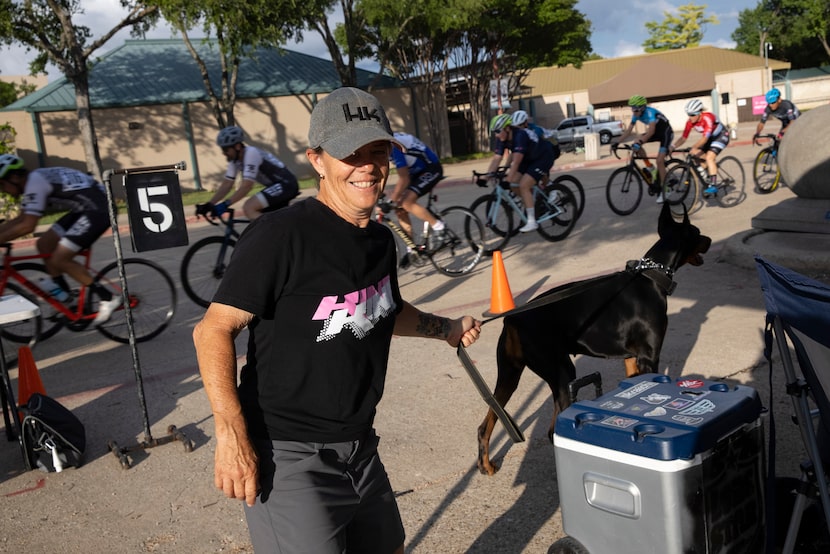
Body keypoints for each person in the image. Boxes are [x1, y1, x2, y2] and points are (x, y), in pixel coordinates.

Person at [192, 87, 482, 554]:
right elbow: (212, 330)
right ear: (318, 160)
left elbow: (381, 307)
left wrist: (444, 328)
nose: (367, 165)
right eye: (350, 152)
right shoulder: (280, 235)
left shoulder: (381, 241)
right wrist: (230, 436)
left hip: (360, 448)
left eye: (377, 150)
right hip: (288, 457)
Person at [0, 155, 121, 324]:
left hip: (98, 210)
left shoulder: (35, 183)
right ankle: (65, 296)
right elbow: (21, 218)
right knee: (44, 244)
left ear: (14, 177)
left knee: (60, 258)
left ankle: (108, 297)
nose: (2, 190)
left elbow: (28, 226)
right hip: (83, 209)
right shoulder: (33, 180)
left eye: (2, 184)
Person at [195, 125, 300, 220]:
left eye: (226, 149)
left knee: (249, 207)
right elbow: (227, 184)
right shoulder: (234, 160)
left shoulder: (251, 153)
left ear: (237, 147)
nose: (224, 153)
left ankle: (275, 237)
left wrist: (225, 204)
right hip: (275, 186)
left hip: (286, 184)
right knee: (259, 213)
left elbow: (246, 186)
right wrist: (210, 204)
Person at [485, 112, 557, 232]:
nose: (496, 135)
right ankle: (532, 202)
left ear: (507, 128)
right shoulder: (502, 138)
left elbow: (516, 162)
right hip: (528, 158)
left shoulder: (520, 135)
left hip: (543, 157)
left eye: (497, 131)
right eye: (494, 133)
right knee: (514, 183)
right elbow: (496, 159)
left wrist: (506, 181)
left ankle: (532, 221)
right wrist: (486, 177)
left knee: (523, 185)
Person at [387, 131, 445, 252]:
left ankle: (439, 226)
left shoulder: (393, 145)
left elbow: (404, 178)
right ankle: (411, 249)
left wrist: (390, 200)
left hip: (431, 168)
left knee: (407, 202)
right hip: (416, 171)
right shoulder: (386, 141)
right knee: (399, 209)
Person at [611, 95, 674, 203]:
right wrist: (617, 142)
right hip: (656, 133)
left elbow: (651, 131)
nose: (633, 111)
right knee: (636, 141)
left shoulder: (650, 113)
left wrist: (641, 141)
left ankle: (666, 189)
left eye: (635, 109)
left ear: (642, 107)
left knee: (659, 160)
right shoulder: (636, 115)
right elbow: (628, 131)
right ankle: (650, 167)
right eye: (632, 108)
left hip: (666, 133)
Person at [671, 99, 731, 196]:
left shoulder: (707, 118)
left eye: (692, 114)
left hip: (721, 135)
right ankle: (710, 172)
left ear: (699, 113)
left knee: (709, 157)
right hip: (710, 138)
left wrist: (693, 147)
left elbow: (704, 139)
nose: (690, 117)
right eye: (688, 114)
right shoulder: (690, 122)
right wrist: (672, 146)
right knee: (696, 158)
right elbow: (683, 137)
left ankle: (713, 185)